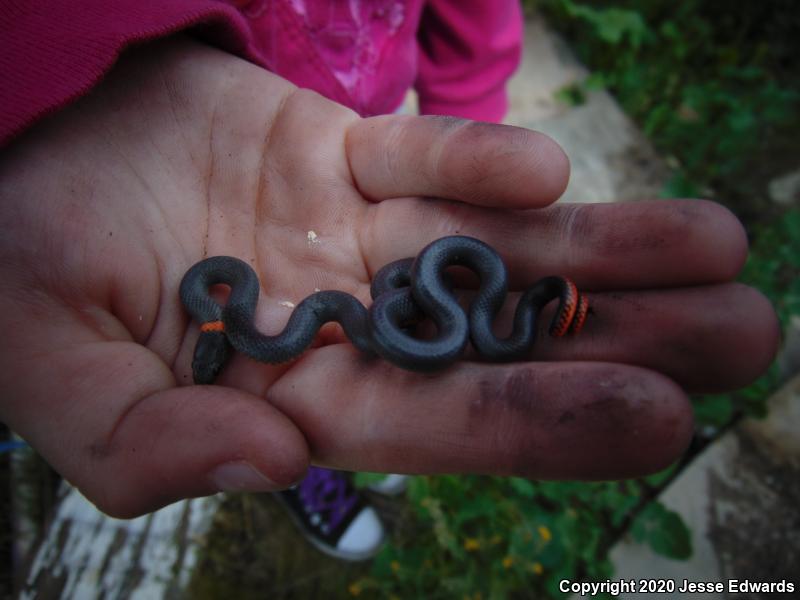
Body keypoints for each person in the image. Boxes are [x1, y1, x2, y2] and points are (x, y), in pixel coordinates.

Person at [0, 0, 779, 565]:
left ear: (219, 322)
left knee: (424, 320)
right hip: (235, 104)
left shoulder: (241, 301)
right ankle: (341, 452)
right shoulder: (220, 289)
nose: (224, 345)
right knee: (325, 390)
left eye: (220, 345)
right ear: (217, 316)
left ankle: (489, 326)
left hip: (383, 199)